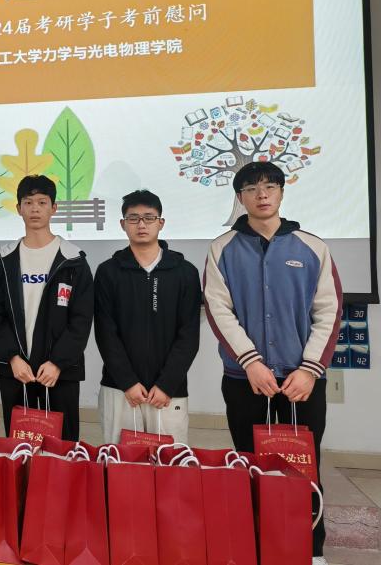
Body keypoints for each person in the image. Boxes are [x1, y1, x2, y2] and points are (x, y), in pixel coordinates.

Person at [205, 162, 340, 564]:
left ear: (281, 191)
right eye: (251, 188)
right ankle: (257, 545)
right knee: (250, 463)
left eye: (269, 186)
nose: (261, 194)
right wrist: (250, 362)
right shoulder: (222, 248)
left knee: (305, 467)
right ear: (240, 197)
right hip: (244, 379)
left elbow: (328, 311)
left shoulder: (312, 247)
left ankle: (311, 550)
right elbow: (218, 310)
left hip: (302, 381)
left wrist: (310, 369)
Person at [0, 174, 94, 441]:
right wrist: (12, 357)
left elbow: (81, 320)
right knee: (19, 446)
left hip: (59, 372)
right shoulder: (5, 259)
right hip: (16, 370)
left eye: (42, 202)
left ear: (54, 208)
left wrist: (57, 362)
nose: (35, 209)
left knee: (61, 448)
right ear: (18, 208)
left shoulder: (73, 259)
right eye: (28, 202)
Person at [94, 190, 201, 444]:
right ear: (123, 224)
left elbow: (188, 335)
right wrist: (128, 382)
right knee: (119, 460)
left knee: (169, 462)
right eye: (133, 218)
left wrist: (167, 384)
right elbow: (105, 333)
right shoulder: (108, 272)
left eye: (149, 218)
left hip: (168, 391)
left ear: (160, 223)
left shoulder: (185, 272)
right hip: (120, 389)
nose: (141, 224)